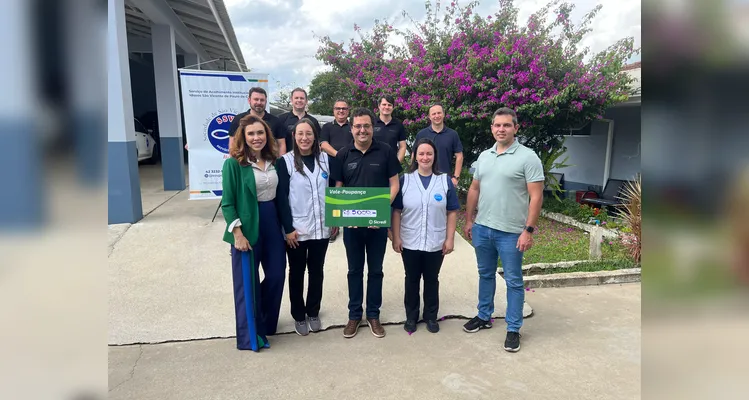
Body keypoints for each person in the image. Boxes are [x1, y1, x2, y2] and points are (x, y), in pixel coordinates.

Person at [462, 107, 544, 353]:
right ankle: (484, 315)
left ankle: (513, 328)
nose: (501, 129)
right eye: (497, 125)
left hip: (511, 232)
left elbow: (536, 196)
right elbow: (475, 188)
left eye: (506, 125)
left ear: (516, 128)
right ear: (492, 128)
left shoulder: (528, 157)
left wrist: (528, 230)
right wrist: (469, 220)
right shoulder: (484, 156)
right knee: (485, 274)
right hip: (483, 228)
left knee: (514, 281)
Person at [331, 107, 401, 339]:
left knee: (376, 271)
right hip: (352, 226)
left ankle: (373, 314)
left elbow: (394, 184)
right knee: (354, 271)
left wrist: (380, 211)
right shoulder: (343, 154)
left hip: (377, 224)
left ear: (373, 128)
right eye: (358, 126)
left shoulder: (386, 151)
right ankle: (354, 315)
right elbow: (337, 189)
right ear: (351, 129)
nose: (362, 130)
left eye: (367, 126)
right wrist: (342, 216)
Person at [221, 114, 287, 351]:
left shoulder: (274, 160)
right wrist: (237, 234)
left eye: (260, 133)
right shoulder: (233, 164)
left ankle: (265, 322)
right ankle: (250, 334)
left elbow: (281, 197)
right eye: (251, 134)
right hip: (246, 227)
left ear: (266, 135)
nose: (256, 138)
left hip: (272, 223)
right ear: (243, 137)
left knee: (277, 275)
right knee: (247, 283)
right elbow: (227, 203)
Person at [276, 118, 338, 336]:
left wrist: (335, 219)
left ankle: (313, 311)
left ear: (315, 136)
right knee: (296, 272)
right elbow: (281, 198)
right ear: (294, 136)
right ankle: (298, 315)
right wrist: (287, 228)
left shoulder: (325, 160)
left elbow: (334, 190)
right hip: (297, 230)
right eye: (300, 134)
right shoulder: (285, 162)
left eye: (309, 134)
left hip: (322, 227)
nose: (304, 138)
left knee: (317, 271)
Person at [391, 138, 459, 334]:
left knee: (432, 279)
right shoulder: (405, 179)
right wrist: (396, 237)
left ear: (434, 156)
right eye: (421, 153)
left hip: (435, 242)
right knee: (411, 279)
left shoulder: (444, 180)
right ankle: (411, 317)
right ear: (414, 156)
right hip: (409, 240)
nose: (425, 157)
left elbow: (452, 211)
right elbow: (396, 211)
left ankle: (431, 316)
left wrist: (450, 238)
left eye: (429, 153)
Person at [320, 99, 352, 242]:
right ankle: (334, 227)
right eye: (338, 108)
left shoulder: (353, 126)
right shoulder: (327, 127)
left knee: (352, 195)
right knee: (334, 197)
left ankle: (353, 223)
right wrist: (339, 155)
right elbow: (323, 144)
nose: (341, 111)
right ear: (333, 110)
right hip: (332, 166)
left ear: (348, 110)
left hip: (352, 165)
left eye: (344, 108)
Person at [415, 104, 464, 188]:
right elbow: (414, 155)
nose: (437, 116)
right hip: (423, 179)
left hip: (445, 179)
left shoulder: (452, 134)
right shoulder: (421, 134)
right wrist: (413, 175)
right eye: (434, 114)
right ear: (429, 117)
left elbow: (459, 156)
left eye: (439, 113)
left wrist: (456, 178)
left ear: (443, 114)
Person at [227, 87, 287, 154]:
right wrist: (234, 162)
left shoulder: (276, 121)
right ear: (249, 100)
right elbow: (232, 144)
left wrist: (280, 163)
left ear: (266, 101)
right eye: (256, 99)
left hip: (269, 161)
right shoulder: (238, 120)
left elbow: (281, 145)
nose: (259, 102)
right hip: (244, 162)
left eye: (262, 100)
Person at [278, 88, 321, 158]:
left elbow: (318, 143)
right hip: (288, 160)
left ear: (306, 101)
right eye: (296, 98)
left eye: (302, 98)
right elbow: (278, 143)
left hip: (309, 160)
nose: (299, 100)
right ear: (291, 100)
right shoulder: (281, 119)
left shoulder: (313, 121)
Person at [374, 95, 407, 163]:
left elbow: (402, 146)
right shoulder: (372, 123)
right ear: (379, 106)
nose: (386, 107)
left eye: (389, 105)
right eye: (384, 104)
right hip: (373, 164)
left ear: (393, 107)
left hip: (391, 165)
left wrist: (396, 163)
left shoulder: (398, 125)